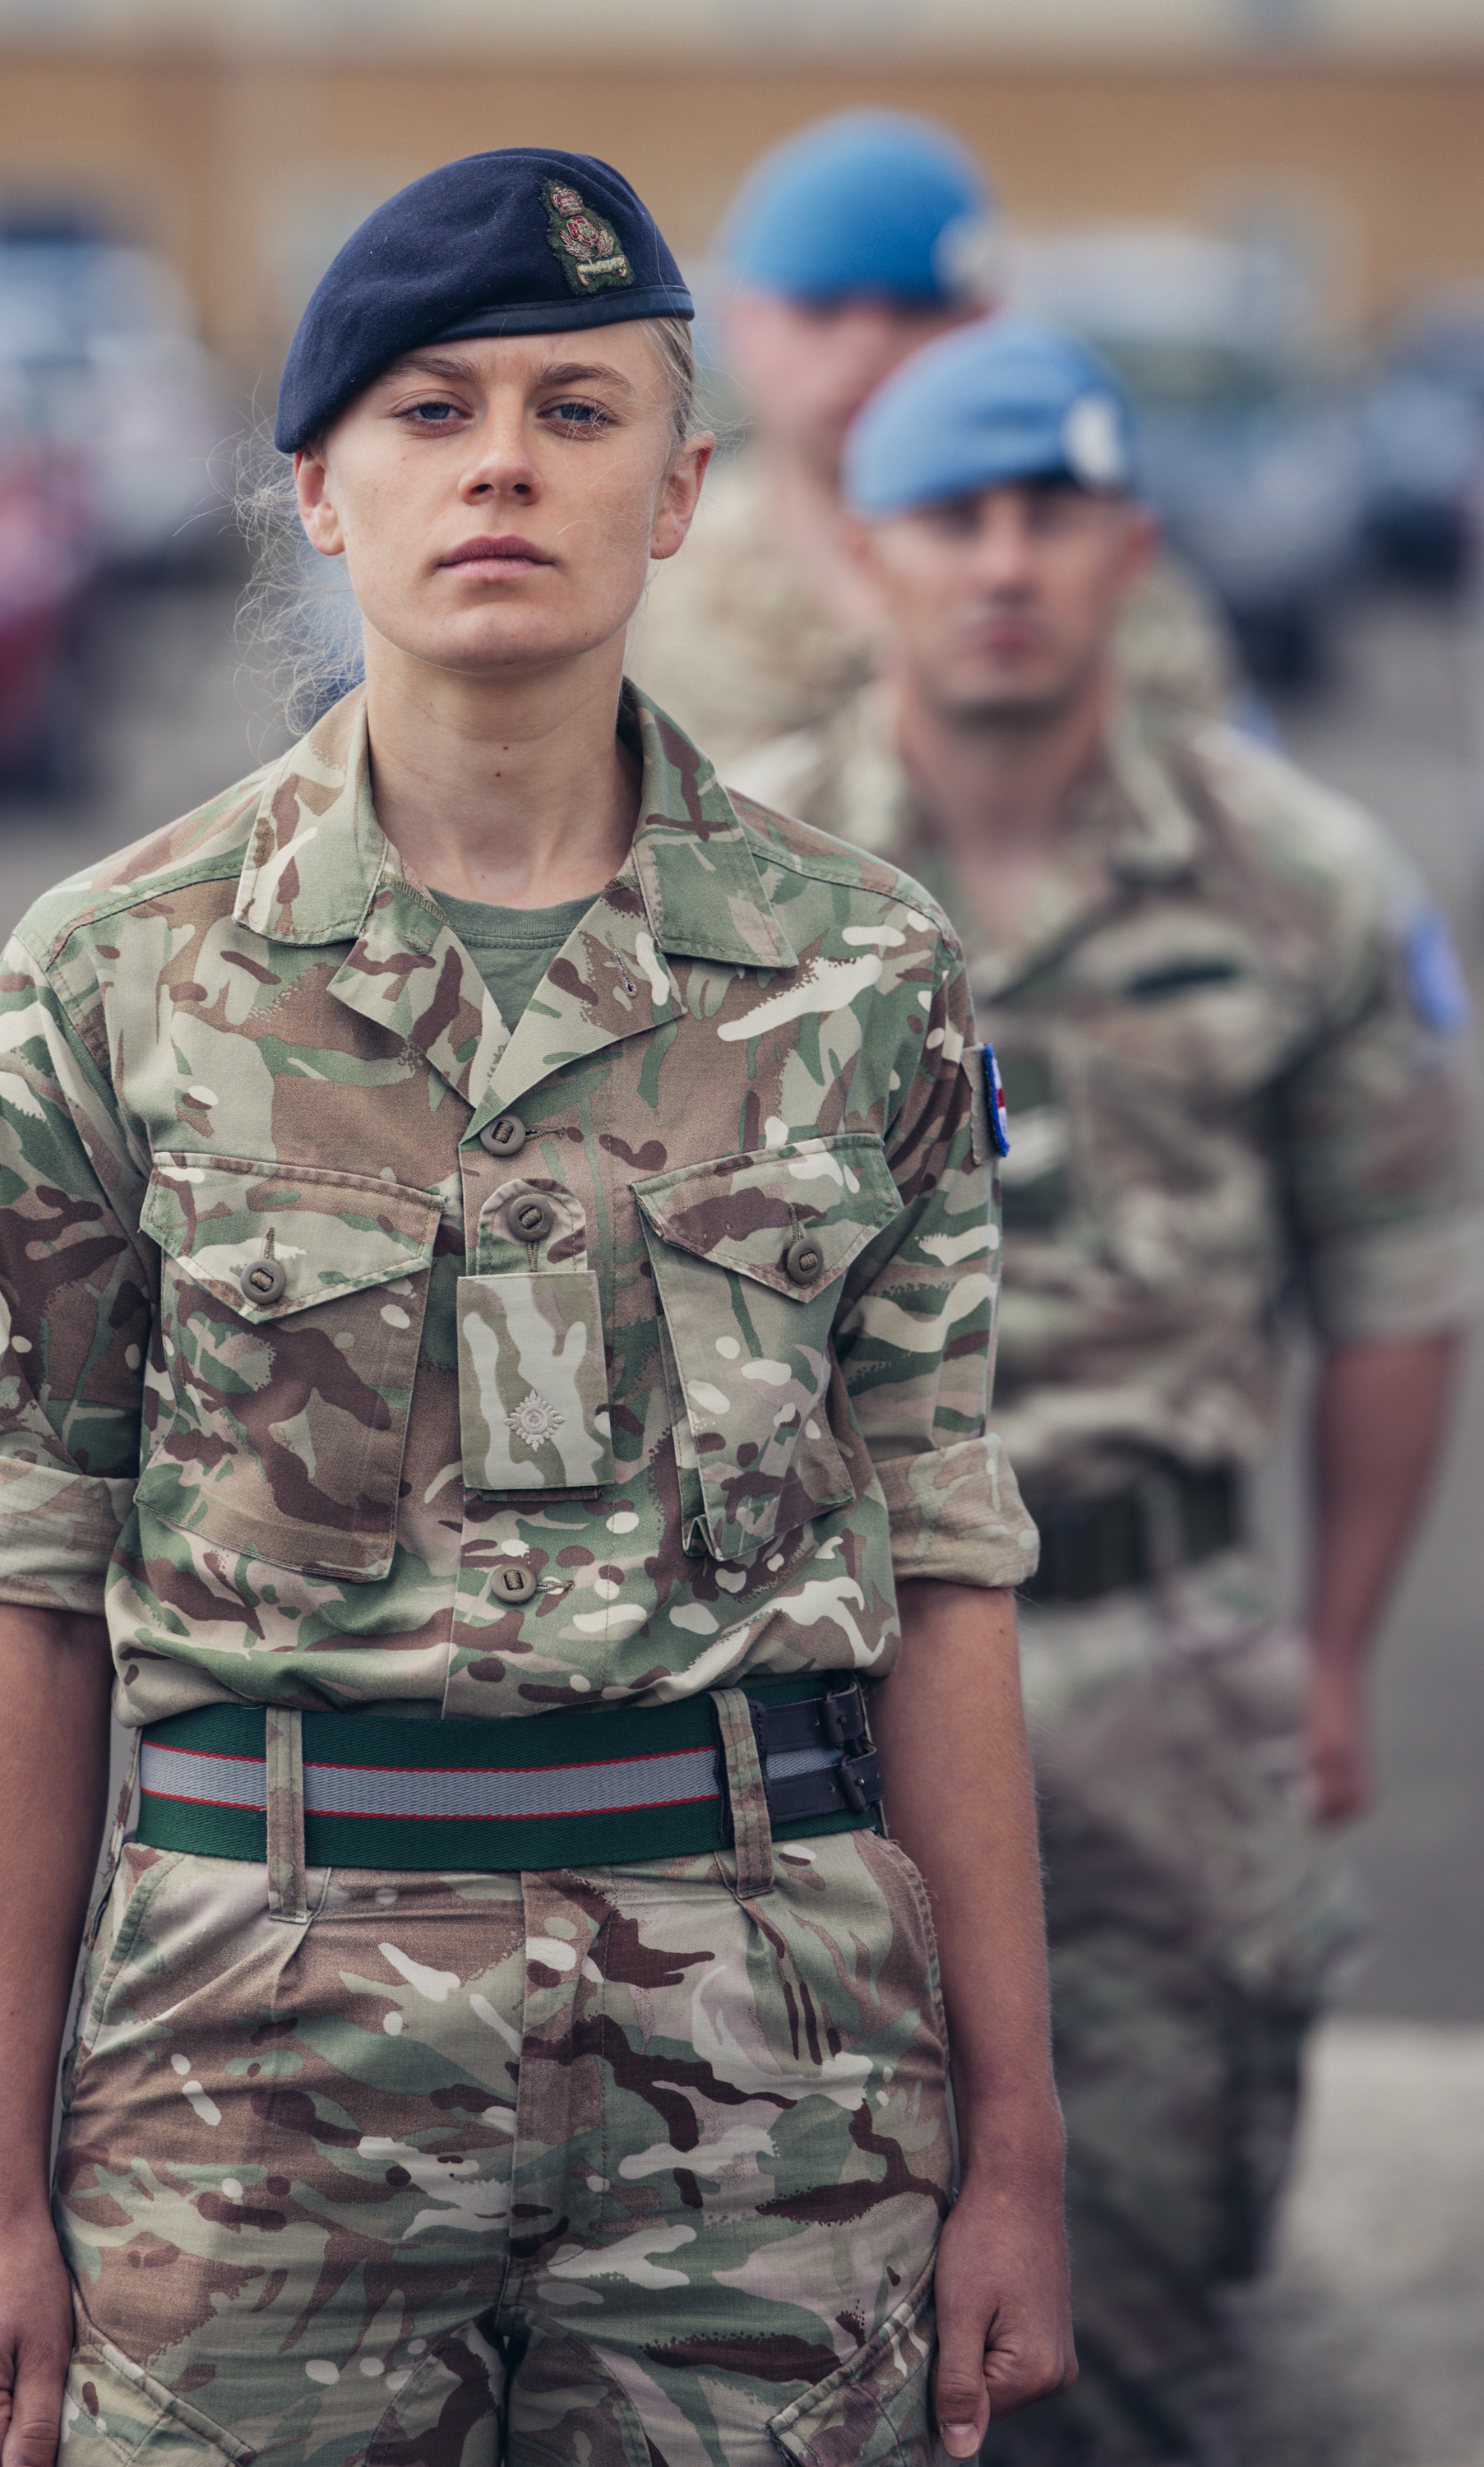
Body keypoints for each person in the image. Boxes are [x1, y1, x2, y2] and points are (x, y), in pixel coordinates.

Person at [0, 150, 1074, 2467]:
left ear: (683, 491)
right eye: (432, 413)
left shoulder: (865, 976)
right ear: (322, 495)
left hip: (776, 2070)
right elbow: (20, 1593)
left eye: (577, 407)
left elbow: (942, 1567)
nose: (505, 465)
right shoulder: (114, 975)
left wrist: (1017, 2155)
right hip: (253, 2054)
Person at [732, 316, 1480, 2467]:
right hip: (818, 1697)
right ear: (866, 553)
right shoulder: (738, 890)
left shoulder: (1299, 880)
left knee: (1141, 2332)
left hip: (1156, 1672)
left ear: (1132, 552)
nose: (1002, 561)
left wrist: (1324, 1656)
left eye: (1051, 515)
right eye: (951, 515)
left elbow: (1400, 1292)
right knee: (782, 2328)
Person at [632, 111, 1233, 774]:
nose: (867, 348)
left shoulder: (1109, 595)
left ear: (986, 325)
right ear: (740, 325)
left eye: (912, 311)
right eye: (821, 311)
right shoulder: (651, 586)